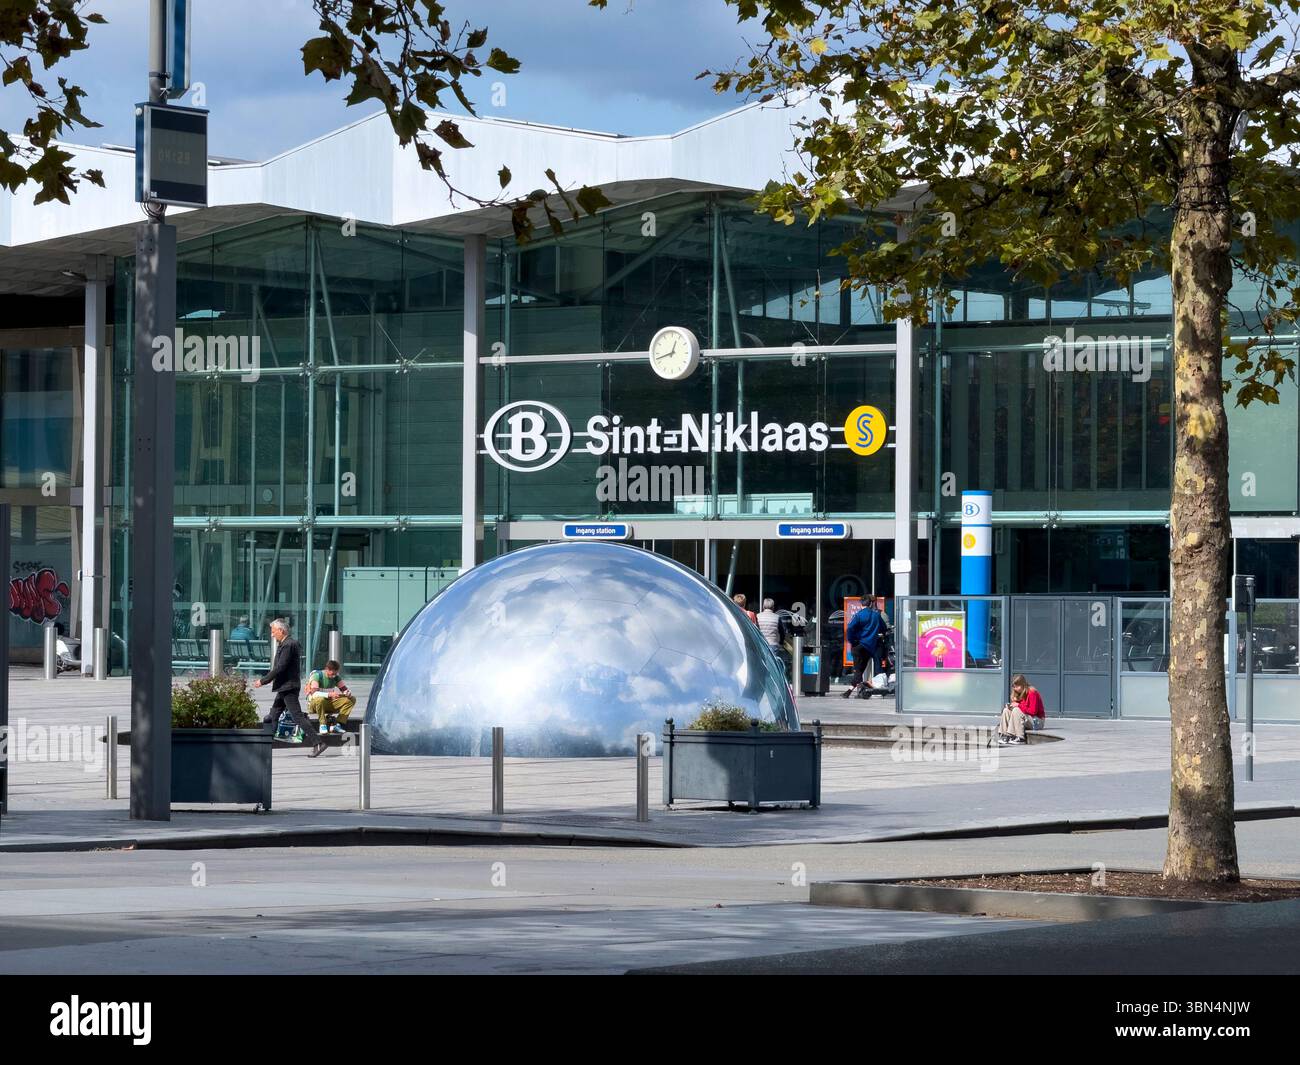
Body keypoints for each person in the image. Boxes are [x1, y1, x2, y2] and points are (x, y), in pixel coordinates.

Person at [253, 618, 325, 756]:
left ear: (281, 630)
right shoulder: (286, 644)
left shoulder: (288, 645)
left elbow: (280, 667)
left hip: (288, 687)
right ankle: (266, 745)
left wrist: (263, 681)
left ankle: (318, 742)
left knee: (297, 716)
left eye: (273, 632)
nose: (272, 635)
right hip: (284, 686)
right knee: (274, 714)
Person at [842, 598, 888, 698]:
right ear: (871, 604)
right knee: (865, 669)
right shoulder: (876, 615)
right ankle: (853, 691)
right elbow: (884, 628)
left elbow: (850, 628)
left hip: (859, 646)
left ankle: (853, 691)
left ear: (861, 604)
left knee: (858, 670)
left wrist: (852, 640)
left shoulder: (858, 615)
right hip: (871, 646)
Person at [305, 659, 355, 735]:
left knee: (351, 699)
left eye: (335, 673)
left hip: (328, 703)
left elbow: (344, 689)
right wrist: (329, 695)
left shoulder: (336, 677)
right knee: (319, 699)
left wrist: (347, 693)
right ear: (327, 669)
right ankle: (322, 724)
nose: (333, 676)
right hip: (314, 705)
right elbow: (313, 694)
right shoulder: (317, 676)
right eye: (332, 674)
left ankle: (338, 725)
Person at [998, 674, 1046, 744]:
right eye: (1014, 686)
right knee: (1006, 710)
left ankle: (1020, 738)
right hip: (1026, 718)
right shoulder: (1018, 693)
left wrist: (1018, 705)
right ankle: (1005, 735)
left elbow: (1033, 711)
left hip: (1037, 721)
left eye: (1017, 686)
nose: (1015, 688)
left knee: (1016, 710)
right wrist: (1010, 707)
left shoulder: (1032, 692)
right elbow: (1020, 709)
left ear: (1023, 684)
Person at [755, 597, 791, 671]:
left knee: (762, 665)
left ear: (763, 606)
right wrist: (781, 642)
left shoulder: (758, 616)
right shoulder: (777, 617)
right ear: (773, 607)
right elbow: (782, 632)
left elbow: (756, 630)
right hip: (773, 645)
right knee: (773, 667)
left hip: (761, 644)